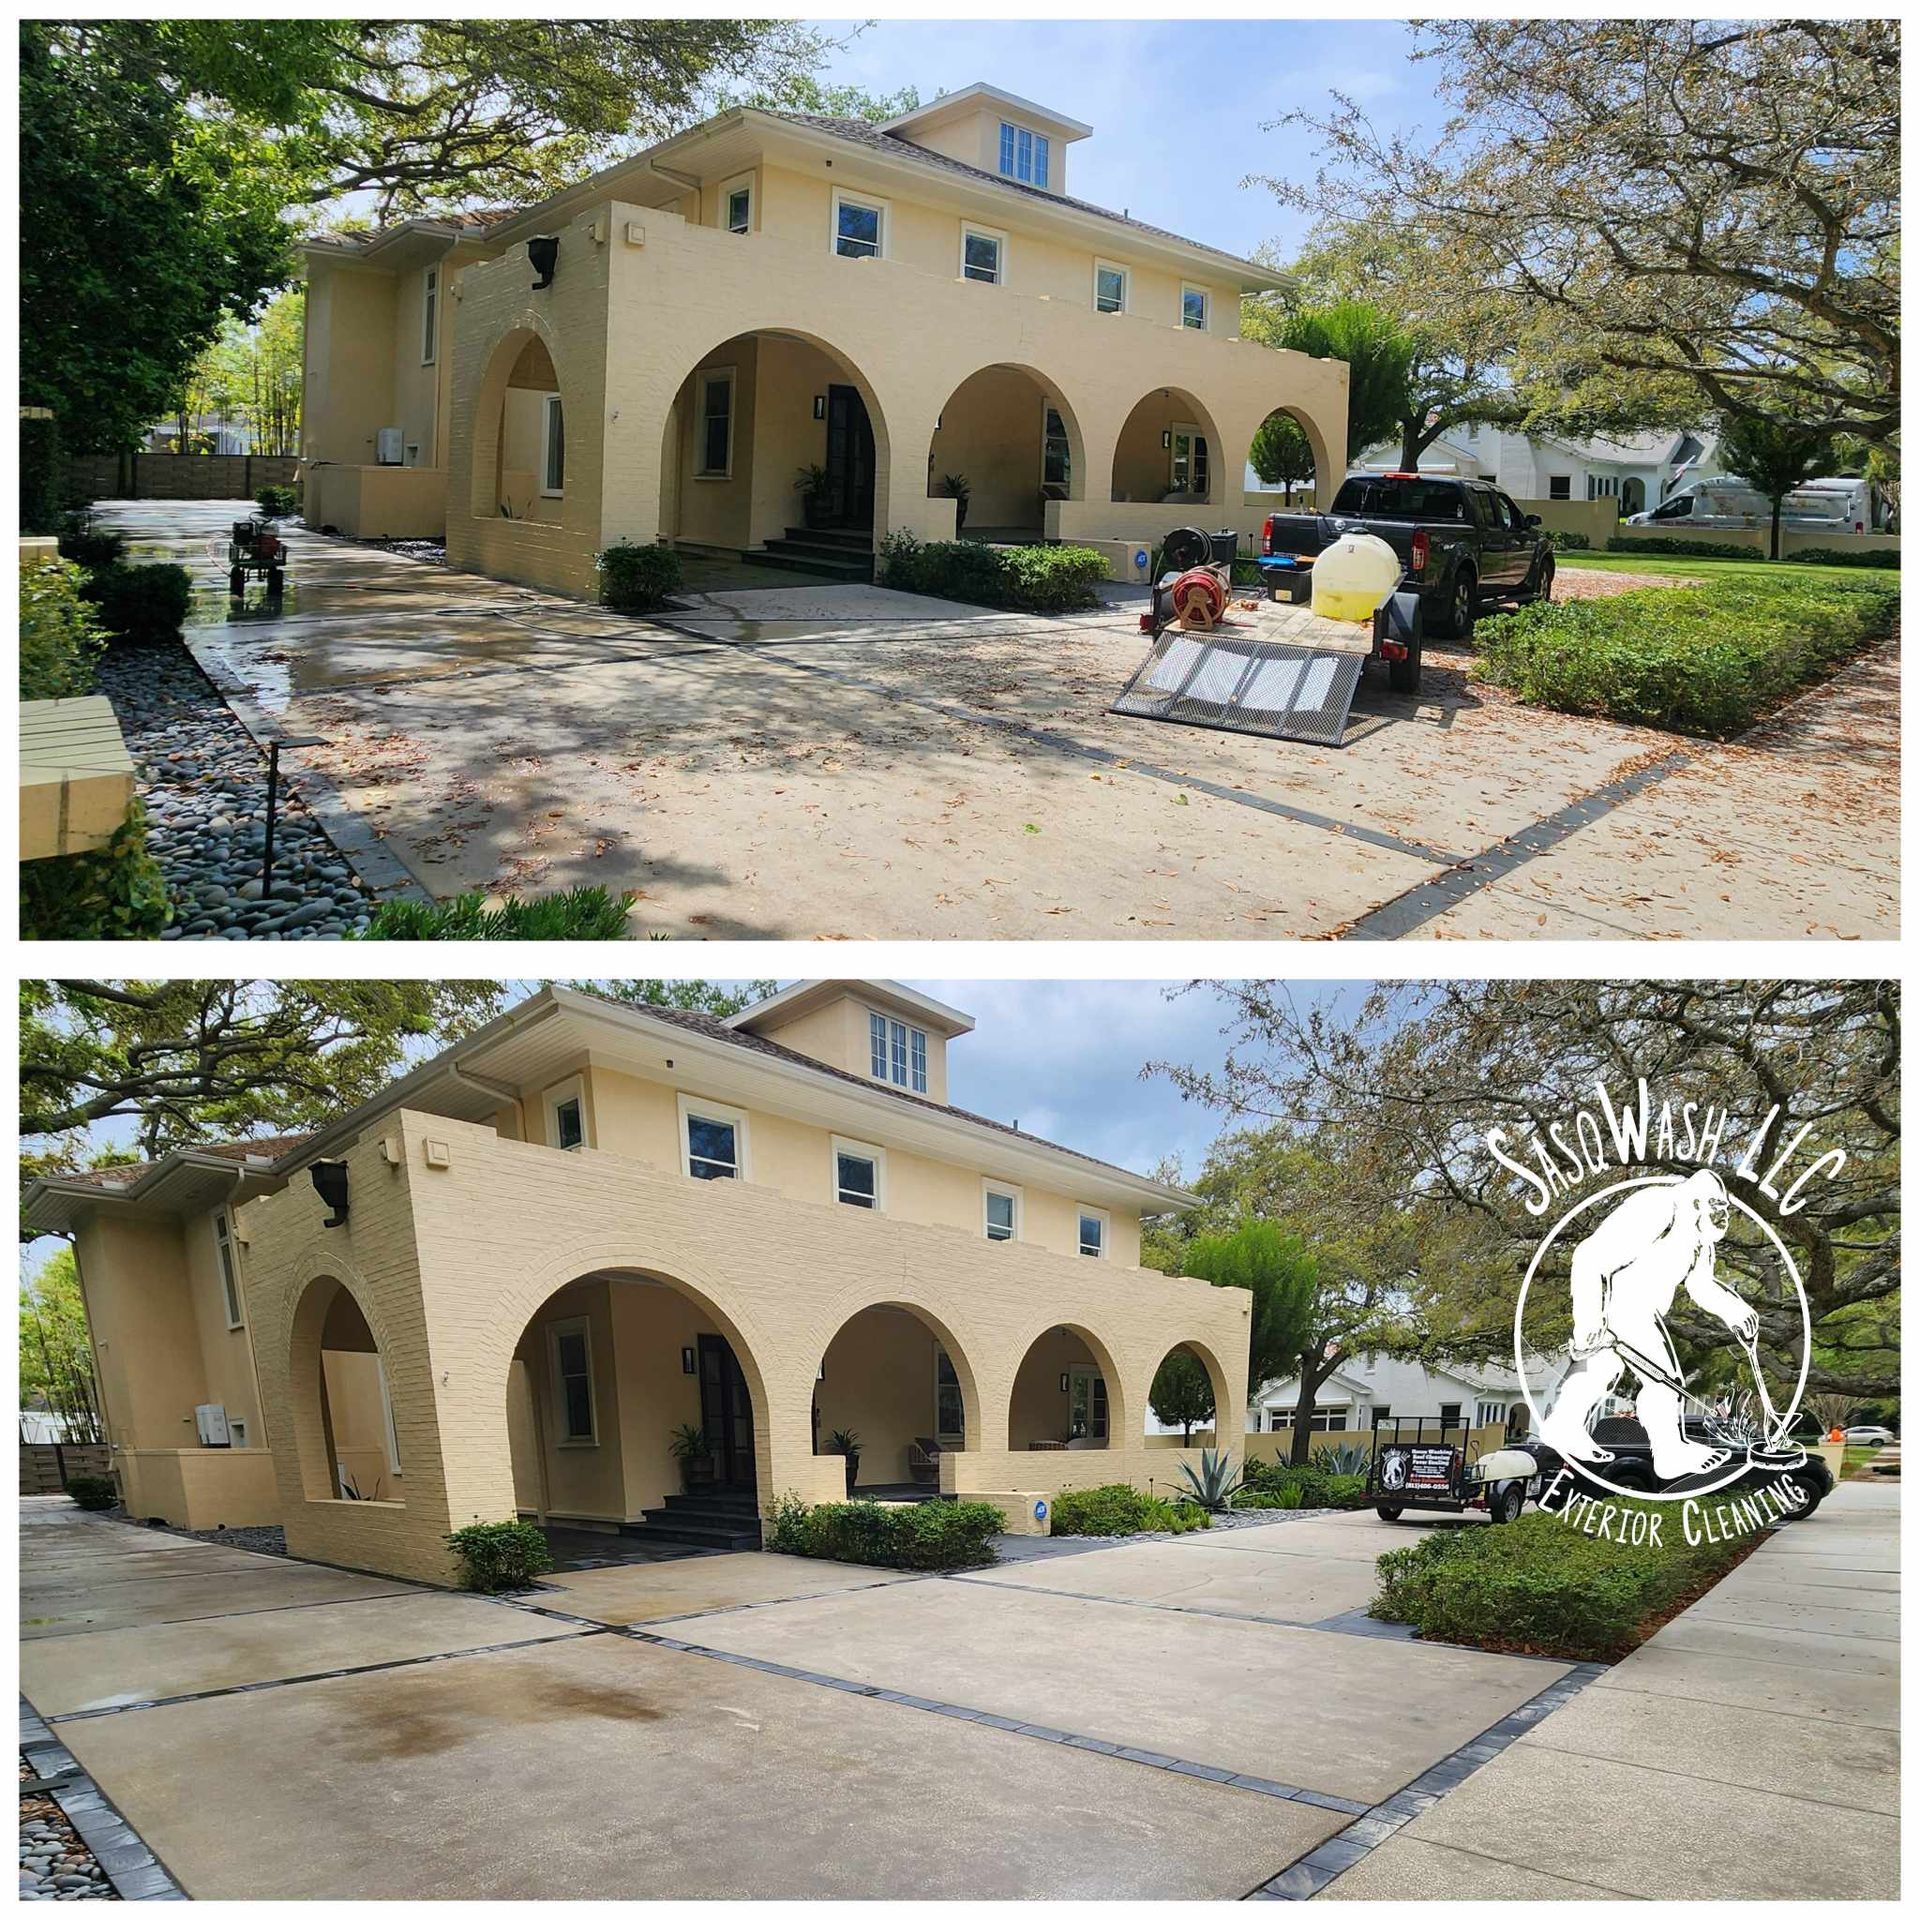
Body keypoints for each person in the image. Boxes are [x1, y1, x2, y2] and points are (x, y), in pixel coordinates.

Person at [1540, 1170, 1758, 1479]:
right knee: (1665, 1380)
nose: (1722, 1215)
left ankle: (1563, 1427)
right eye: (1715, 1205)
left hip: (1643, 1308)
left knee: (1602, 1371)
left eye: (1724, 1207)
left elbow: (1702, 1286)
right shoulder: (1657, 1207)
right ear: (1695, 1202)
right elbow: (1590, 1256)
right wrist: (1590, 1320)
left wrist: (1737, 1312)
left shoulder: (1700, 1239)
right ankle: (1670, 1454)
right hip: (1619, 1300)